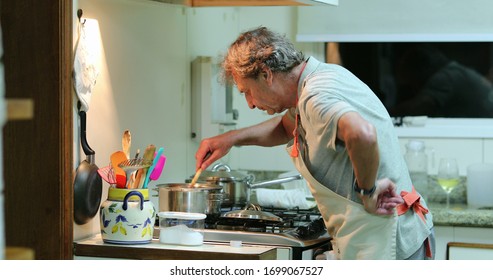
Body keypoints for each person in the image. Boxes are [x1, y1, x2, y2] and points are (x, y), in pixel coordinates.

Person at [194, 26, 435, 260]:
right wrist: (229, 139)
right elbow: (286, 128)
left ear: (266, 74)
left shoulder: (315, 96)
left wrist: (368, 191)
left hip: (390, 240)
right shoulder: (318, 80)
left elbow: (363, 134)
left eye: (247, 91)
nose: (250, 103)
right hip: (382, 236)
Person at [390, 44, 493, 118]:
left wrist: (386, 113)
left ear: (421, 69)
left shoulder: (445, 78)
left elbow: (419, 107)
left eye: (410, 77)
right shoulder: (455, 71)